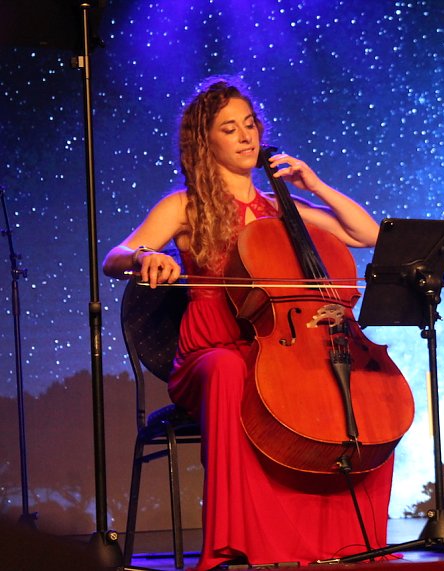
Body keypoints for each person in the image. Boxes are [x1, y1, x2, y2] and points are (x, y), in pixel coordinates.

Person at [103, 77, 396, 569]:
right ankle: (229, 546)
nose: (246, 137)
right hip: (210, 351)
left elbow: (364, 234)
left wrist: (313, 184)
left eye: (250, 125)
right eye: (229, 129)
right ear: (206, 142)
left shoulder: (283, 209)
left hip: (279, 350)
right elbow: (116, 256)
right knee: (227, 371)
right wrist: (146, 257)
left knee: (361, 398)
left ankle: (346, 546)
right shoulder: (185, 205)